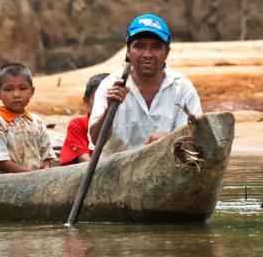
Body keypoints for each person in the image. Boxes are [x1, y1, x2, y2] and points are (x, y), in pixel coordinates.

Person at [88, 14, 202, 151]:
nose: (147, 54)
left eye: (156, 47)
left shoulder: (182, 87)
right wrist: (109, 109)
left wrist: (169, 140)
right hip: (116, 170)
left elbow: (196, 139)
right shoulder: (110, 85)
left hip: (167, 167)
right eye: (139, 46)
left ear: (167, 52)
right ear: (128, 51)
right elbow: (96, 141)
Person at [0, 63, 56, 173]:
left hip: (37, 180)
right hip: (4, 182)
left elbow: (47, 154)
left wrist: (44, 172)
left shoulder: (36, 122)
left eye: (22, 88)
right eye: (8, 89)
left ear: (32, 91)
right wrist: (30, 175)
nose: (16, 94)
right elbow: (0, 161)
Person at [59, 73, 109, 166]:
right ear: (86, 101)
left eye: (107, 99)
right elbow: (84, 158)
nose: (104, 104)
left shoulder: (123, 123)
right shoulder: (78, 124)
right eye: (98, 99)